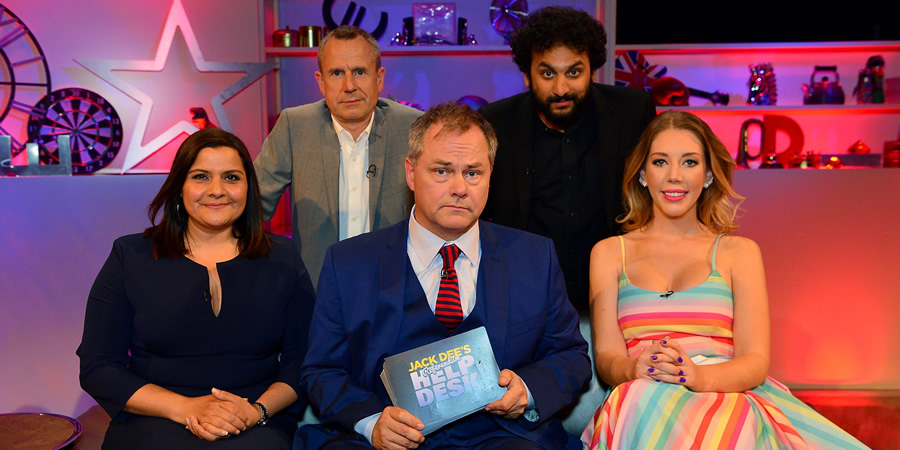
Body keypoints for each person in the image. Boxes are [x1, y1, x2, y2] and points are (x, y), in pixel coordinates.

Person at [298, 102, 591, 449]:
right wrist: (373, 422)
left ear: (490, 176)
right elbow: (322, 371)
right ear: (410, 173)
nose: (459, 187)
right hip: (387, 442)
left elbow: (571, 357)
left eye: (473, 172)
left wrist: (526, 390)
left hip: (504, 437)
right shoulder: (349, 263)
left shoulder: (533, 257)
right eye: (441, 171)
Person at [581, 111, 866, 448]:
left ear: (708, 176)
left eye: (689, 163)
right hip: (640, 393)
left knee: (732, 419)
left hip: (725, 394)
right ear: (643, 175)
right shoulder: (609, 253)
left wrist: (696, 376)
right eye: (660, 162)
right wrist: (636, 369)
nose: (674, 176)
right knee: (639, 399)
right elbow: (607, 359)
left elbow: (755, 361)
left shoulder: (739, 253)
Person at [77, 128, 316, 449]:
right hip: (154, 416)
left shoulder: (283, 258)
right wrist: (186, 407)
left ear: (249, 188)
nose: (217, 190)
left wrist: (256, 410)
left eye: (231, 178)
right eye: (201, 176)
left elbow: (305, 358)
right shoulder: (129, 256)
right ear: (179, 186)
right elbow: (98, 365)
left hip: (253, 419)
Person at [479, 6, 657, 313]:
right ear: (527, 75)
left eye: (574, 72)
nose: (561, 89)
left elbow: (657, 197)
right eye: (547, 73)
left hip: (620, 298)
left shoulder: (632, 112)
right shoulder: (495, 123)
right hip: (527, 301)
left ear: (593, 70)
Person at [254, 25, 423, 289]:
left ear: (379, 79)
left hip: (396, 289)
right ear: (321, 82)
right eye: (336, 73)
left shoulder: (413, 127)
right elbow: (253, 205)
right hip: (317, 290)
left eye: (359, 72)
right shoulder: (294, 125)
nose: (349, 86)